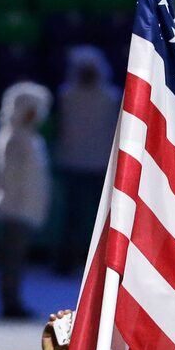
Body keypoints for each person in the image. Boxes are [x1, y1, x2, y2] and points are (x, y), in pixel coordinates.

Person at [0, 82, 52, 318]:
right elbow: (11, 177)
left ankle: (13, 299)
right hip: (15, 207)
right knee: (11, 260)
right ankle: (9, 302)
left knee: (16, 259)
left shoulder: (29, 137)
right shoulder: (14, 137)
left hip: (24, 207)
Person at [55, 46, 121, 274]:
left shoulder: (109, 97)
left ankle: (98, 265)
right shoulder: (68, 96)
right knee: (73, 218)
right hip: (77, 163)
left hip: (99, 164)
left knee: (97, 219)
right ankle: (67, 262)